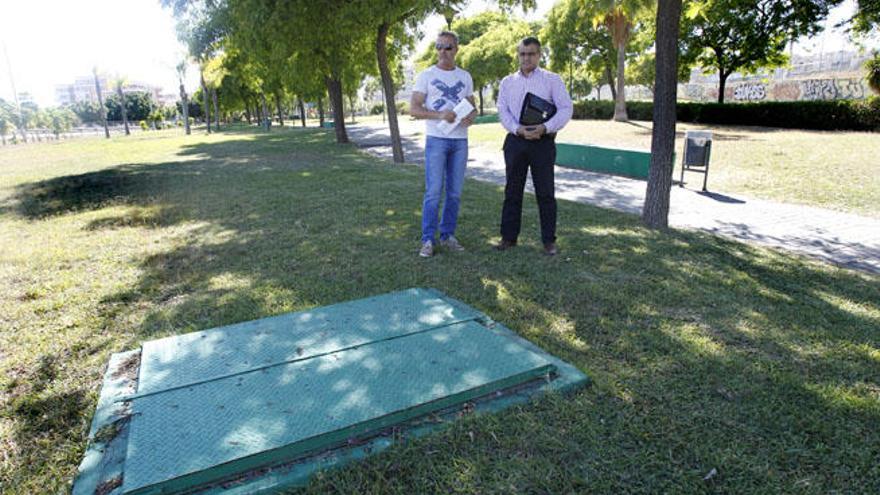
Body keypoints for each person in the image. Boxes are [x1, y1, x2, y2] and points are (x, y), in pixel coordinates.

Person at [494, 36, 573, 256]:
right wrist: (516, 129)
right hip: (516, 140)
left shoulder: (552, 80)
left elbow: (566, 108)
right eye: (522, 53)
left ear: (539, 55)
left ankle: (549, 241)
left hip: (542, 142)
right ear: (518, 55)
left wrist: (546, 128)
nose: (526, 57)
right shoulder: (507, 82)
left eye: (531, 54)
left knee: (546, 192)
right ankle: (508, 238)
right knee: (512, 191)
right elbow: (502, 110)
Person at [410, 31, 477, 258]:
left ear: (456, 49)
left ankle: (447, 235)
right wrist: (440, 115)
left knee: (455, 193)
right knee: (433, 191)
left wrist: (471, 117)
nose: (443, 51)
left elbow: (472, 106)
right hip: (436, 140)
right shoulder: (426, 75)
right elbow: (414, 108)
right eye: (439, 47)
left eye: (448, 47)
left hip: (460, 141)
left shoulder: (465, 77)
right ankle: (428, 239)